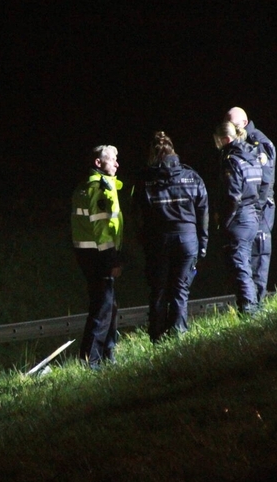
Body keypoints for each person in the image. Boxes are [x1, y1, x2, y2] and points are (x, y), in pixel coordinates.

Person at [135, 132, 209, 342]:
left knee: (158, 289)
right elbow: (203, 213)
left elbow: (137, 216)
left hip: (158, 240)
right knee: (180, 289)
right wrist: (202, 244)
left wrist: (143, 241)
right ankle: (178, 335)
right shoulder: (192, 176)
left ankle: (157, 337)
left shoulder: (145, 180)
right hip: (188, 239)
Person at [71, 145, 124, 369]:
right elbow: (102, 229)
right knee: (103, 307)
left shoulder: (84, 187)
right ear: (98, 163)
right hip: (99, 254)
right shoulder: (98, 189)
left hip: (88, 253)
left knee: (107, 305)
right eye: (112, 159)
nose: (117, 164)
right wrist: (112, 260)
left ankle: (107, 355)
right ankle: (91, 362)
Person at [226, 107, 277, 304]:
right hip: (249, 208)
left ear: (244, 124)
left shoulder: (258, 143)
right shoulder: (239, 142)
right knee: (244, 256)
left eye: (235, 125)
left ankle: (258, 302)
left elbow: (265, 181)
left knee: (259, 252)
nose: (231, 129)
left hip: (260, 208)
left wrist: (256, 208)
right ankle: (251, 303)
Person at [213, 120, 264, 315]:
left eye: (218, 141)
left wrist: (224, 221)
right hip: (252, 215)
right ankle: (254, 307)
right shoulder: (251, 156)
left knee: (239, 266)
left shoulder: (231, 160)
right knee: (246, 264)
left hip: (239, 219)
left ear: (225, 139)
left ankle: (249, 311)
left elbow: (232, 196)